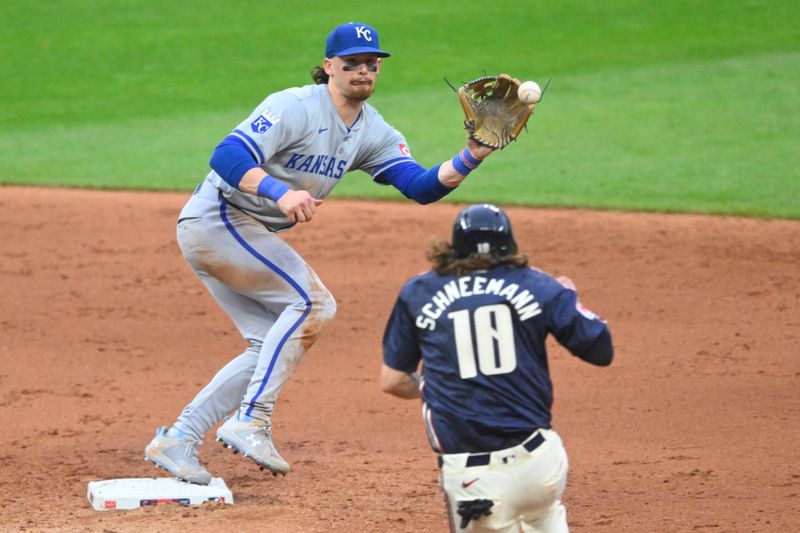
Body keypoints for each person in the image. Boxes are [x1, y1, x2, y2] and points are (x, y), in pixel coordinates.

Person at [144, 22, 498, 485]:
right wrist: (279, 193)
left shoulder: (372, 130)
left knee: (268, 342)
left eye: (371, 64)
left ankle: (179, 438)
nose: (363, 71)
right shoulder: (293, 106)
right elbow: (227, 157)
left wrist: (471, 155)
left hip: (237, 230)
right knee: (314, 303)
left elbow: (420, 186)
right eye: (351, 63)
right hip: (219, 218)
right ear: (329, 67)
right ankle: (251, 420)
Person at [380, 204, 614, 532]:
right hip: (542, 467)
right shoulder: (540, 285)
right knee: (542, 515)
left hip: (474, 481)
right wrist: (569, 297)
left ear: (453, 246)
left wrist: (437, 386)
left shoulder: (418, 292)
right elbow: (601, 350)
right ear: (510, 246)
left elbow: (392, 381)